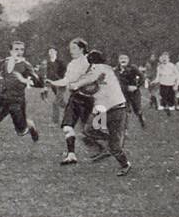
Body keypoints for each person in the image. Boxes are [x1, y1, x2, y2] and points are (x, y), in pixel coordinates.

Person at [74, 51, 132, 176]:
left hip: (117, 109)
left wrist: (76, 84)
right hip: (101, 108)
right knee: (89, 130)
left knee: (115, 148)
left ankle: (125, 165)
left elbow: (90, 79)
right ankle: (106, 146)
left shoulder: (102, 69)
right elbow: (92, 90)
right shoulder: (97, 71)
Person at [47, 36, 94, 166]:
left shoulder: (89, 62)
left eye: (74, 48)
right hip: (75, 98)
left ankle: (105, 148)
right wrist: (53, 82)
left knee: (88, 131)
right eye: (70, 48)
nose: (71, 51)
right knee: (67, 126)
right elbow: (67, 80)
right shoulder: (72, 64)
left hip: (88, 99)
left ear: (82, 49)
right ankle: (71, 154)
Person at [115, 53, 146, 129]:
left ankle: (141, 118)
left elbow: (142, 77)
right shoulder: (116, 70)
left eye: (125, 59)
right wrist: (125, 88)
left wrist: (136, 86)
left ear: (128, 60)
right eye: (121, 58)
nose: (123, 60)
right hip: (123, 93)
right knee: (125, 110)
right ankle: (125, 129)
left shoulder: (133, 68)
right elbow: (115, 82)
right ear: (118, 60)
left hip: (134, 92)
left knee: (137, 109)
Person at [41, 46, 67, 125]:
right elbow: (48, 75)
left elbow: (65, 73)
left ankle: (55, 122)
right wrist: (46, 86)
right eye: (50, 51)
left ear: (56, 52)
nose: (51, 53)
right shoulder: (48, 63)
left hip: (61, 85)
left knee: (55, 103)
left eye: (52, 51)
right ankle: (75, 112)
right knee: (61, 103)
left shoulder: (61, 62)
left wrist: (61, 80)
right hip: (53, 85)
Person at [155, 51, 178, 117]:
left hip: (171, 83)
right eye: (163, 58)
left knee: (171, 95)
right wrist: (155, 81)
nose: (164, 59)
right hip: (163, 83)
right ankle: (163, 105)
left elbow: (177, 75)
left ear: (169, 59)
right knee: (163, 95)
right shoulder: (159, 67)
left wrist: (176, 84)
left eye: (166, 58)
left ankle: (171, 105)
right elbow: (158, 76)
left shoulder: (172, 66)